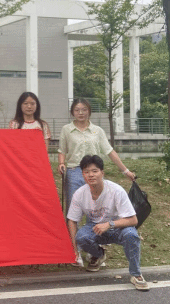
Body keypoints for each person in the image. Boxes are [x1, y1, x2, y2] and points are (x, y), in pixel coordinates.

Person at [58, 98, 136, 266]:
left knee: (94, 212)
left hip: (93, 172)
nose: (80, 113)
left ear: (89, 111)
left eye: (84, 109)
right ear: (72, 112)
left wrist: (125, 171)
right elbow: (61, 150)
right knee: (73, 213)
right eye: (77, 110)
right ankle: (75, 252)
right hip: (74, 172)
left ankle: (94, 251)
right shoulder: (66, 130)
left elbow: (109, 151)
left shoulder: (97, 131)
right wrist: (61, 163)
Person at [67, 155, 149, 291]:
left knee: (131, 235)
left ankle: (136, 274)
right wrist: (75, 250)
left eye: (94, 171)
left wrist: (110, 224)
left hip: (118, 228)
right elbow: (72, 221)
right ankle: (98, 255)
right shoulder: (79, 194)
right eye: (86, 172)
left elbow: (133, 220)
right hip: (96, 228)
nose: (90, 175)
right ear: (83, 175)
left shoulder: (116, 191)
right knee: (81, 237)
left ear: (102, 173)